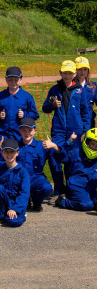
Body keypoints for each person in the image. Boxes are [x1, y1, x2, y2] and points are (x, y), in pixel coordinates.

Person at [42, 60, 86, 198]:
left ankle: (71, 188)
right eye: (64, 73)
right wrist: (52, 103)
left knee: (72, 159)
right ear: (60, 73)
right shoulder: (54, 89)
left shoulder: (80, 90)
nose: (66, 76)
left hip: (75, 131)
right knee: (54, 155)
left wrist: (85, 131)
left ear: (74, 74)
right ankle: (59, 188)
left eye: (69, 73)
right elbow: (45, 108)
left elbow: (86, 112)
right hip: (59, 130)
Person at [5, 117, 59, 212]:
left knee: (46, 187)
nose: (27, 133)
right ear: (19, 131)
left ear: (35, 131)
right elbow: (0, 158)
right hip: (18, 178)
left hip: (35, 177)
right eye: (24, 130)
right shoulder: (15, 146)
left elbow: (62, 157)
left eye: (30, 130)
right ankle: (25, 201)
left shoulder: (42, 145)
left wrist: (54, 146)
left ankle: (36, 203)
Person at [0, 138, 30, 227]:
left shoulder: (23, 172)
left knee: (13, 222)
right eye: (6, 152)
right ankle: (0, 216)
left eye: (12, 152)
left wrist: (15, 209)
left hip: (16, 204)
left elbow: (24, 193)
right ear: (2, 153)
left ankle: (19, 214)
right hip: (3, 205)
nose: (9, 154)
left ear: (17, 153)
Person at [0, 66, 39, 143]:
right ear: (6, 79)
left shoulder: (26, 96)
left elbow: (35, 115)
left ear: (20, 79)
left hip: (20, 135)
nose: (13, 82)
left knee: (19, 154)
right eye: (10, 80)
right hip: (3, 134)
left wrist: (24, 115)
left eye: (16, 80)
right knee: (2, 153)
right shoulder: (0, 96)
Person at [54, 128, 97, 211]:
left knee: (93, 203)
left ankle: (93, 200)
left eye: (96, 146)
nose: (94, 147)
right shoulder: (75, 152)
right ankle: (62, 201)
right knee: (87, 205)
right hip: (76, 186)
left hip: (91, 186)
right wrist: (68, 142)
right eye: (92, 144)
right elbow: (61, 157)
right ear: (87, 142)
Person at [74, 56, 96, 130]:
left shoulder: (93, 86)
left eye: (85, 69)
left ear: (88, 70)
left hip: (89, 122)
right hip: (74, 123)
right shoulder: (70, 86)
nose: (82, 72)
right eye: (79, 69)